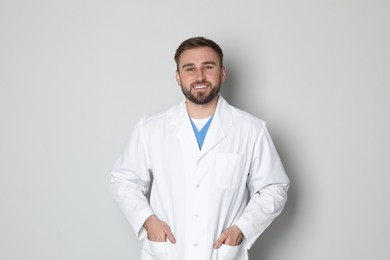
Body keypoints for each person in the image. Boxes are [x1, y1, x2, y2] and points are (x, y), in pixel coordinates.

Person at [111, 36, 290, 260]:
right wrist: (149, 222)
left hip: (222, 254)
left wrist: (241, 230)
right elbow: (123, 181)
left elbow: (274, 187)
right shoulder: (150, 129)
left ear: (222, 72)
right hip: (167, 251)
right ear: (178, 77)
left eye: (208, 67)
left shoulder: (251, 130)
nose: (200, 76)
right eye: (189, 69)